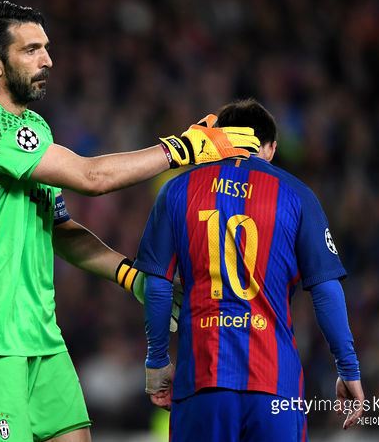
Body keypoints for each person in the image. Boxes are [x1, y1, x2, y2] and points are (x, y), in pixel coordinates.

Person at [0, 0, 259, 442]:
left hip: (39, 333)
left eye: (46, 47)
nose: (47, 60)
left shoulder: (35, 129)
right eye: (30, 50)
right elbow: (92, 178)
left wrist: (132, 276)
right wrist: (181, 148)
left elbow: (61, 230)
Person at [136, 99, 364, 441]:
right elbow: (326, 289)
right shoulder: (298, 195)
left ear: (215, 140)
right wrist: (348, 368)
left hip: (202, 380)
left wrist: (157, 361)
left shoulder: (176, 190)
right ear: (270, 148)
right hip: (275, 386)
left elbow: (157, 285)